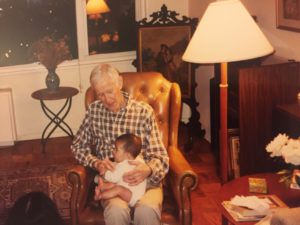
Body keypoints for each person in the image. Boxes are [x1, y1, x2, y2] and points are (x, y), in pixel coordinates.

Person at [71, 63, 169, 225]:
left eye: (110, 91)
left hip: (146, 184)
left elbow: (161, 157)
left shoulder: (143, 112)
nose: (107, 99)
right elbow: (77, 146)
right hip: (113, 184)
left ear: (120, 83)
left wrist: (148, 169)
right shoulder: (94, 111)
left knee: (146, 212)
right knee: (116, 212)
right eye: (100, 94)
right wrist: (96, 162)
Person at [94, 133, 146, 207]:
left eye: (116, 149)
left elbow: (114, 178)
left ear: (127, 155)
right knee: (114, 185)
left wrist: (105, 172)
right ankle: (102, 187)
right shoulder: (139, 161)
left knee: (118, 189)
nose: (113, 151)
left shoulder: (124, 165)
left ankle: (100, 196)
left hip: (133, 196)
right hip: (130, 190)